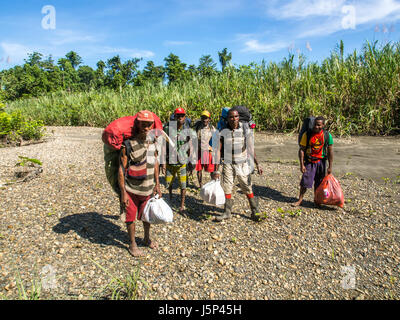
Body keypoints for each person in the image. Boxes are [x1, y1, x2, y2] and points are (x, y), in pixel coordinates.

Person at [118, 110, 161, 257]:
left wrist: (157, 184)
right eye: (144, 124)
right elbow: (121, 170)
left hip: (148, 189)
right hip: (131, 190)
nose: (147, 128)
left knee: (146, 216)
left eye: (149, 124)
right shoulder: (128, 144)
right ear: (138, 124)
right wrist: (123, 192)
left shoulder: (153, 143)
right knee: (130, 218)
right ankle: (132, 244)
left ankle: (146, 238)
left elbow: (155, 164)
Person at [212, 108, 263, 222]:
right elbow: (218, 150)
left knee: (246, 186)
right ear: (227, 118)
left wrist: (257, 164)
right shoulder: (223, 131)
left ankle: (255, 210)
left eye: (235, 117)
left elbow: (250, 148)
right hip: (228, 163)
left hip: (242, 163)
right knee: (227, 187)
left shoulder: (245, 129)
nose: (233, 119)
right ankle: (227, 212)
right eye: (231, 117)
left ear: (238, 117)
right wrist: (216, 169)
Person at [292, 116, 333, 207]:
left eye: (318, 125)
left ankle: (317, 201)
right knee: (304, 182)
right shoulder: (307, 134)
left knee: (319, 183)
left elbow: (330, 151)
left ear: (323, 125)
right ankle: (300, 200)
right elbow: (301, 150)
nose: (316, 126)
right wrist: (302, 165)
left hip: (321, 162)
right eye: (314, 124)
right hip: (310, 162)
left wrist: (330, 166)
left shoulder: (327, 135)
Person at [162, 107, 194, 214]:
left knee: (183, 184)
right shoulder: (168, 129)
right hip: (170, 161)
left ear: (185, 117)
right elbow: (163, 144)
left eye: (182, 116)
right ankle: (170, 200)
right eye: (178, 116)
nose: (180, 118)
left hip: (182, 162)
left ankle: (182, 205)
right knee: (169, 183)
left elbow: (189, 145)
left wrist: (190, 161)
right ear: (174, 117)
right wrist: (162, 162)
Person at [193, 110, 216, 188]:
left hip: (207, 151)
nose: (204, 120)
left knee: (211, 169)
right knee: (199, 169)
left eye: (206, 118)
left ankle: (213, 184)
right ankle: (200, 185)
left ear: (209, 119)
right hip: (199, 151)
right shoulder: (197, 127)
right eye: (203, 118)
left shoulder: (211, 128)